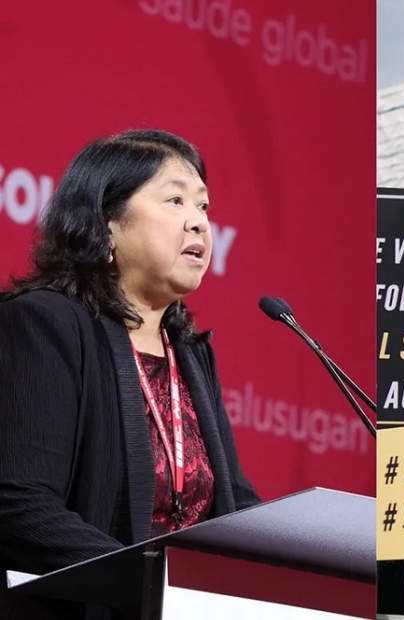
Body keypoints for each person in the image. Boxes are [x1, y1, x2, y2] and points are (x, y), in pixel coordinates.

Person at [0, 130, 261, 620]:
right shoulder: (45, 323)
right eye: (176, 199)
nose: (200, 224)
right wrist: (152, 583)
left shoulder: (190, 356)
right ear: (107, 220)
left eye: (204, 207)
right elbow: (19, 502)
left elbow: (235, 506)